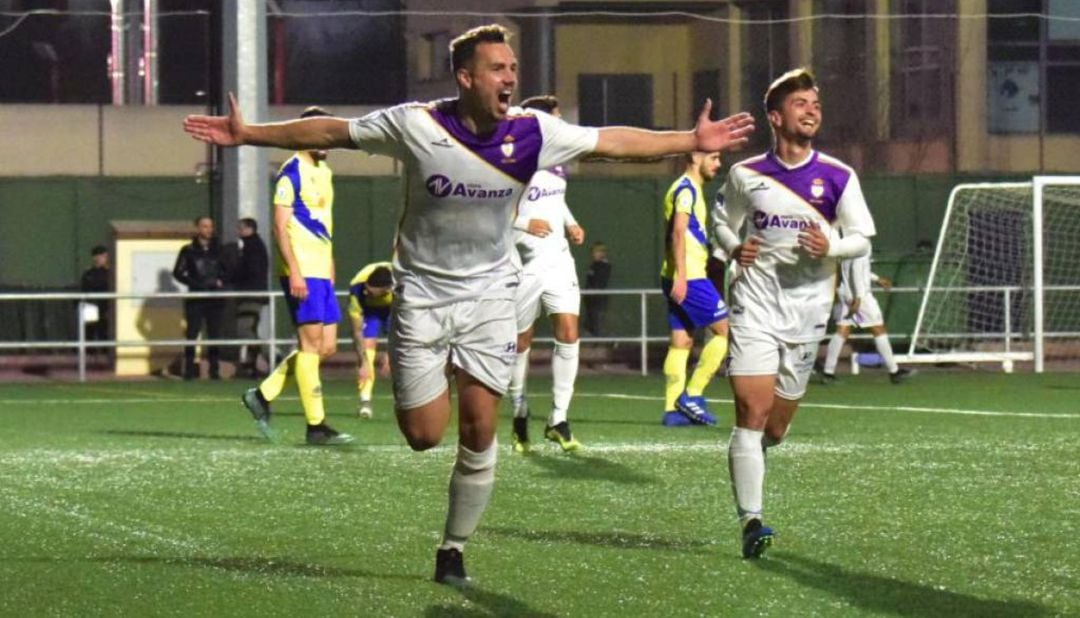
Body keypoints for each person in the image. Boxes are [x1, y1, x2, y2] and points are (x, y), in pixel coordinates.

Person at [184, 23, 754, 585]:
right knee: (425, 435)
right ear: (465, 76)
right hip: (423, 301)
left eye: (513, 69)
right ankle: (443, 377)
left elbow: (612, 141)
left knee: (481, 428)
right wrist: (247, 133)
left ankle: (453, 548)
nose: (510, 78)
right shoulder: (416, 124)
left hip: (490, 298)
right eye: (498, 69)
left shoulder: (534, 131)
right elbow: (333, 131)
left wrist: (689, 140)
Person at [712, 68, 876, 559]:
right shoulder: (746, 175)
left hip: (807, 314)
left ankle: (751, 463)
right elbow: (722, 221)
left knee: (775, 429)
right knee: (751, 413)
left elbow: (862, 238)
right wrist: (733, 246)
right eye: (801, 104)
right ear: (776, 116)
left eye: (815, 105)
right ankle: (752, 521)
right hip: (755, 305)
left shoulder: (838, 175)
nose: (811, 111)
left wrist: (832, 246)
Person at [238, 106, 354, 446]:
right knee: (309, 346)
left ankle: (263, 394)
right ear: (304, 134)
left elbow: (324, 221)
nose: (328, 141)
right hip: (302, 270)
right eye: (323, 133)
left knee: (327, 347)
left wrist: (330, 259)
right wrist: (295, 271)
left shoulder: (325, 171)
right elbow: (279, 226)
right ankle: (316, 426)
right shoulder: (291, 172)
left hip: (322, 269)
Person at [505, 94, 587, 454]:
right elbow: (492, 211)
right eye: (553, 118)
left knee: (568, 332)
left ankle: (558, 419)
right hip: (523, 264)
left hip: (559, 260)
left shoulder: (555, 161)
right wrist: (524, 222)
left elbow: (555, 198)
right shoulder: (512, 161)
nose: (559, 125)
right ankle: (519, 412)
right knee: (521, 343)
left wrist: (570, 222)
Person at [660, 152, 730, 427]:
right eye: (713, 157)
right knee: (725, 331)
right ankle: (692, 395)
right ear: (695, 157)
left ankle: (672, 410)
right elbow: (678, 231)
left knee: (682, 341)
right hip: (689, 277)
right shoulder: (686, 189)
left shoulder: (688, 188)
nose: (718, 163)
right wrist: (682, 276)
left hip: (678, 275)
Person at [820, 252, 913, 384]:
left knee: (842, 330)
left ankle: (827, 373)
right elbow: (857, 271)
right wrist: (858, 298)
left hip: (845, 291)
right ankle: (894, 371)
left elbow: (854, 270)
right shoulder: (861, 243)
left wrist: (876, 279)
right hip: (860, 295)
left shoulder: (847, 244)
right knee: (878, 329)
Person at [172, 216, 227, 380]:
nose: (208, 230)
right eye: (204, 226)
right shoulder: (188, 250)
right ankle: (189, 371)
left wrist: (220, 281)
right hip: (196, 297)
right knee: (192, 333)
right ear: (197, 228)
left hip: (215, 297)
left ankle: (214, 371)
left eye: (210, 226)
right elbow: (178, 272)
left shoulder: (219, 249)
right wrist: (195, 284)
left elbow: (227, 270)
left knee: (214, 334)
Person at [347, 261, 394, 419]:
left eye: (371, 292)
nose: (367, 293)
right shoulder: (358, 289)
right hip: (369, 312)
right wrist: (364, 361)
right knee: (367, 350)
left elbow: (403, 327)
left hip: (393, 310)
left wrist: (391, 354)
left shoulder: (403, 288)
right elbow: (357, 331)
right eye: (366, 289)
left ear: (387, 290)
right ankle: (365, 401)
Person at [233, 217, 270, 378]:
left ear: (250, 229)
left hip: (251, 295)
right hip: (251, 293)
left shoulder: (252, 247)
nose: (238, 232)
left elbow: (250, 271)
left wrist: (235, 278)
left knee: (244, 329)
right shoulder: (252, 246)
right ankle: (251, 365)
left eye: (241, 228)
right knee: (250, 329)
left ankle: (273, 355)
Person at [80, 245, 111, 356]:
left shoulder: (110, 273)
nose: (102, 258)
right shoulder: (89, 273)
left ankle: (105, 354)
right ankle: (89, 358)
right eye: (99, 256)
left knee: (104, 332)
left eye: (103, 256)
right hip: (91, 305)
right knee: (89, 333)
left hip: (105, 306)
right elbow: (84, 290)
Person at [582, 241, 611, 337]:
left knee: (598, 325)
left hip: (599, 301)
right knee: (589, 325)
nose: (594, 254)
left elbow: (600, 283)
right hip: (590, 301)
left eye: (597, 252)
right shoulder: (593, 266)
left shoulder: (604, 266)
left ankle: (604, 345)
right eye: (593, 252)